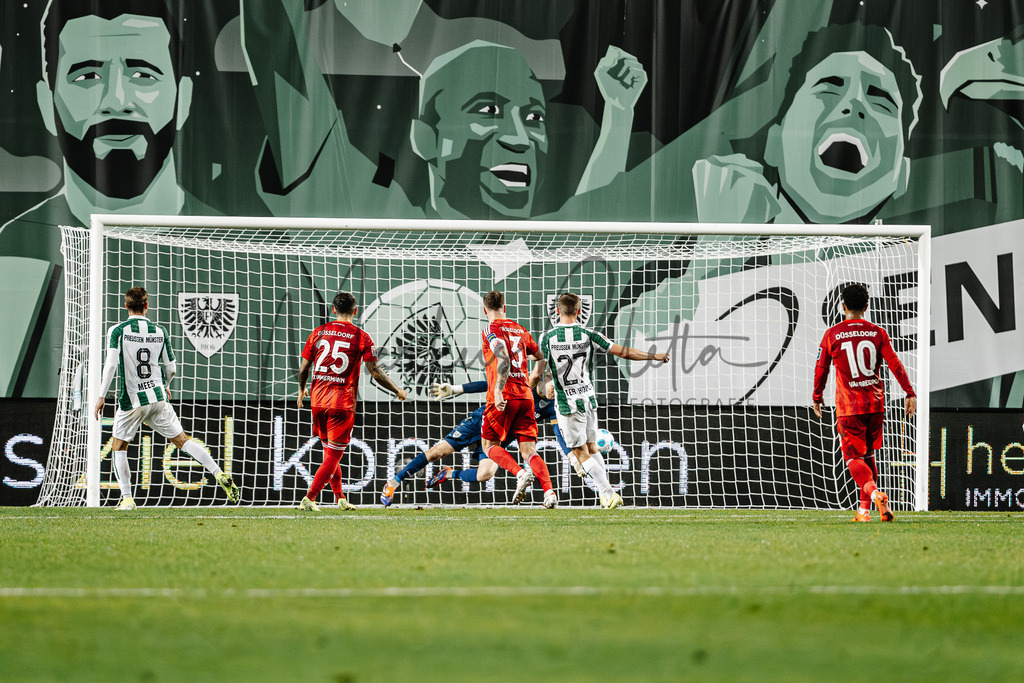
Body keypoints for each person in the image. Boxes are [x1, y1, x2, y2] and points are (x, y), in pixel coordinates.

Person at [0, 0, 217, 398]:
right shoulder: (10, 254)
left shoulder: (252, 255)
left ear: (183, 99)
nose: (117, 99)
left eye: (143, 74)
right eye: (87, 76)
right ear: (47, 104)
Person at [692, 23, 922, 225]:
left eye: (882, 102)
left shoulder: (912, 260)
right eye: (829, 88)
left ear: (903, 174)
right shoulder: (722, 237)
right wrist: (720, 242)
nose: (855, 103)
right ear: (774, 144)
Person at [411, 41, 646, 219]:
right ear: (424, 139)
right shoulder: (402, 255)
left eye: (534, 117)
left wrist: (619, 110)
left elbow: (590, 217)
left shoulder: (549, 258)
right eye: (489, 110)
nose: (520, 139)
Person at [92, 287, 240, 510]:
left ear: (126, 305)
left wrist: (101, 395)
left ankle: (128, 499)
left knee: (119, 446)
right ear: (146, 305)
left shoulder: (117, 331)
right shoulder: (160, 331)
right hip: (159, 397)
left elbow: (111, 365)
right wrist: (167, 386)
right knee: (183, 441)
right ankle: (218, 473)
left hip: (132, 401)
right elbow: (171, 368)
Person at [530, 292, 670, 508]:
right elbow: (624, 352)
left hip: (567, 404)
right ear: (579, 311)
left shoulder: (546, 338)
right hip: (588, 399)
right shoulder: (589, 334)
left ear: (557, 311)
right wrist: (653, 356)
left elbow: (537, 374)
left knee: (579, 452)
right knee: (592, 447)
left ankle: (608, 493)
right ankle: (605, 495)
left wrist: (525, 392)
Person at [812, 283, 916, 522]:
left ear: (843, 306)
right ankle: (863, 511)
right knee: (868, 456)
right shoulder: (878, 333)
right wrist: (909, 392)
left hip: (849, 408)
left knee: (853, 458)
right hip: (875, 405)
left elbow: (821, 368)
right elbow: (895, 364)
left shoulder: (832, 334)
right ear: (866, 307)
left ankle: (876, 494)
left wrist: (817, 396)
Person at [297, 291, 407, 511]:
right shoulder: (361, 336)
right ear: (355, 311)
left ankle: (340, 498)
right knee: (333, 456)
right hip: (341, 403)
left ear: (333, 310)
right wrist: (397, 390)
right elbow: (375, 372)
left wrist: (301, 390)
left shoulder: (319, 332)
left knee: (330, 454)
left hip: (317, 401)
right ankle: (310, 497)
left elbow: (304, 367)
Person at [474, 290, 556, 507]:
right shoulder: (520, 329)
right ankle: (549, 492)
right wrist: (535, 376)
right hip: (526, 396)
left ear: (485, 310)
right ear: (505, 307)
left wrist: (498, 391)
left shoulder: (490, 329)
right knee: (529, 450)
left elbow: (502, 359)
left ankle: (520, 473)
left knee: (488, 445)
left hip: (504, 396)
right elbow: (540, 356)